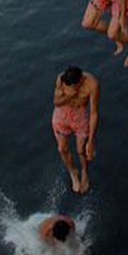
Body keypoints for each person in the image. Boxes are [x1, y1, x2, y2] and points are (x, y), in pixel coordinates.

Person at [51, 66, 100, 195]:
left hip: (80, 116)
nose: (72, 88)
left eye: (74, 86)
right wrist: (69, 96)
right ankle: (73, 172)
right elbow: (56, 102)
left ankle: (84, 171)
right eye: (70, 87)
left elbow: (94, 113)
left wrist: (91, 141)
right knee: (62, 149)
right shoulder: (61, 79)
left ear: (81, 80)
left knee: (81, 150)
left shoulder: (92, 83)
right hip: (62, 114)